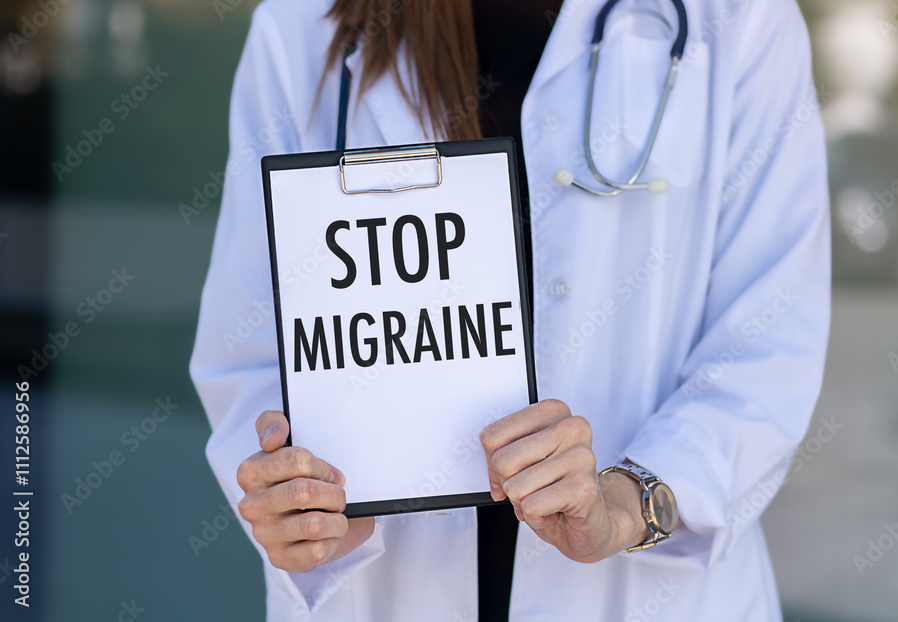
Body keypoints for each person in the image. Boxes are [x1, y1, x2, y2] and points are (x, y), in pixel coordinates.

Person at [189, 0, 831, 620]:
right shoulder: (301, 25)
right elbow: (249, 352)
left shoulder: (739, 17)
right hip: (386, 590)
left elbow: (768, 341)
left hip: (639, 593)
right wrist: (304, 504)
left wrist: (625, 504)